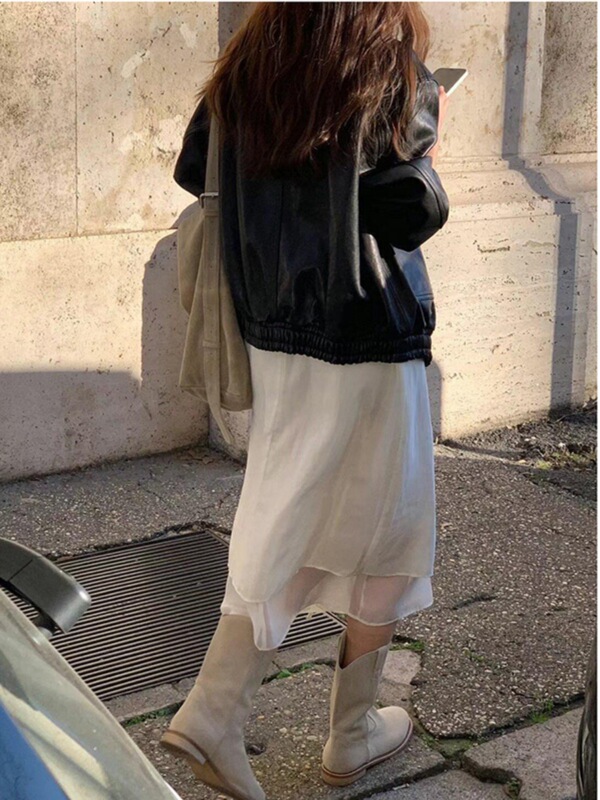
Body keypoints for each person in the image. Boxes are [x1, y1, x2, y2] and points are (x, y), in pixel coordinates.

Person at [160, 3, 450, 799]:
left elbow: (194, 168)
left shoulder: (247, 68)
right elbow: (413, 211)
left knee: (294, 505)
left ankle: (225, 711)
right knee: (389, 527)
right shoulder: (388, 67)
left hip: (275, 330)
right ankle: (336, 732)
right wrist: (430, 135)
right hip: (365, 328)